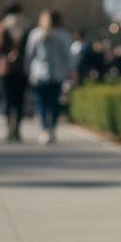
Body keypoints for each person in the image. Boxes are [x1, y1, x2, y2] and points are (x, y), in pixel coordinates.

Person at [24, 9, 72, 144]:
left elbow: (29, 55)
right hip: (52, 75)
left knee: (44, 103)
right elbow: (67, 56)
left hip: (44, 74)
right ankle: (49, 127)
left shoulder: (38, 34)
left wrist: (27, 70)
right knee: (52, 103)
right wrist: (70, 70)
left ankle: (46, 128)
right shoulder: (60, 35)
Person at [0, 4, 30, 141]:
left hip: (6, 69)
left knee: (8, 100)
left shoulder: (1, 27)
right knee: (19, 101)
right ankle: (16, 127)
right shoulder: (26, 26)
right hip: (20, 68)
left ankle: (10, 127)